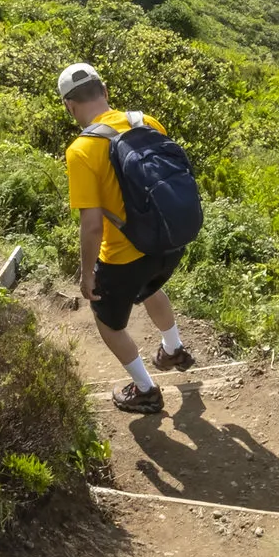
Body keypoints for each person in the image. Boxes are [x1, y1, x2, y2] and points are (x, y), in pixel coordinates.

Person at [58, 62, 196, 413]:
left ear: (69, 106)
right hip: (169, 242)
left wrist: (87, 275)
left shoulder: (81, 150)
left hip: (124, 255)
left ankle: (146, 389)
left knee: (107, 321)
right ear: (104, 92)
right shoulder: (145, 121)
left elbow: (91, 225)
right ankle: (173, 349)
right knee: (150, 287)